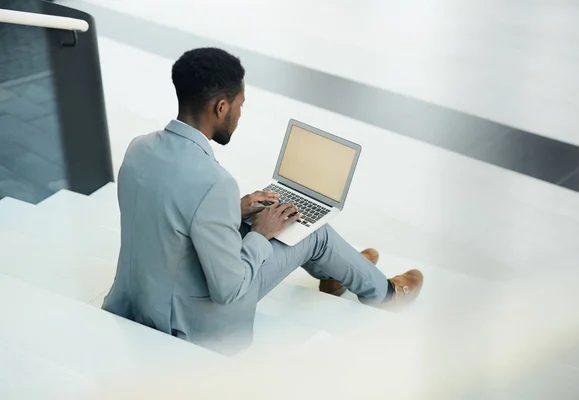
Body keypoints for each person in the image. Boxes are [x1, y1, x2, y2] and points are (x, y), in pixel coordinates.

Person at [102, 47, 423, 355]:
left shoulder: (139, 148)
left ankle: (337, 274)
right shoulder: (215, 182)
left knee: (278, 215)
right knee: (314, 233)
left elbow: (169, 214)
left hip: (139, 301)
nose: (240, 113)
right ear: (221, 108)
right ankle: (385, 294)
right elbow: (229, 289)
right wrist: (259, 233)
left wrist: (230, 211)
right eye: (240, 104)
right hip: (192, 324)